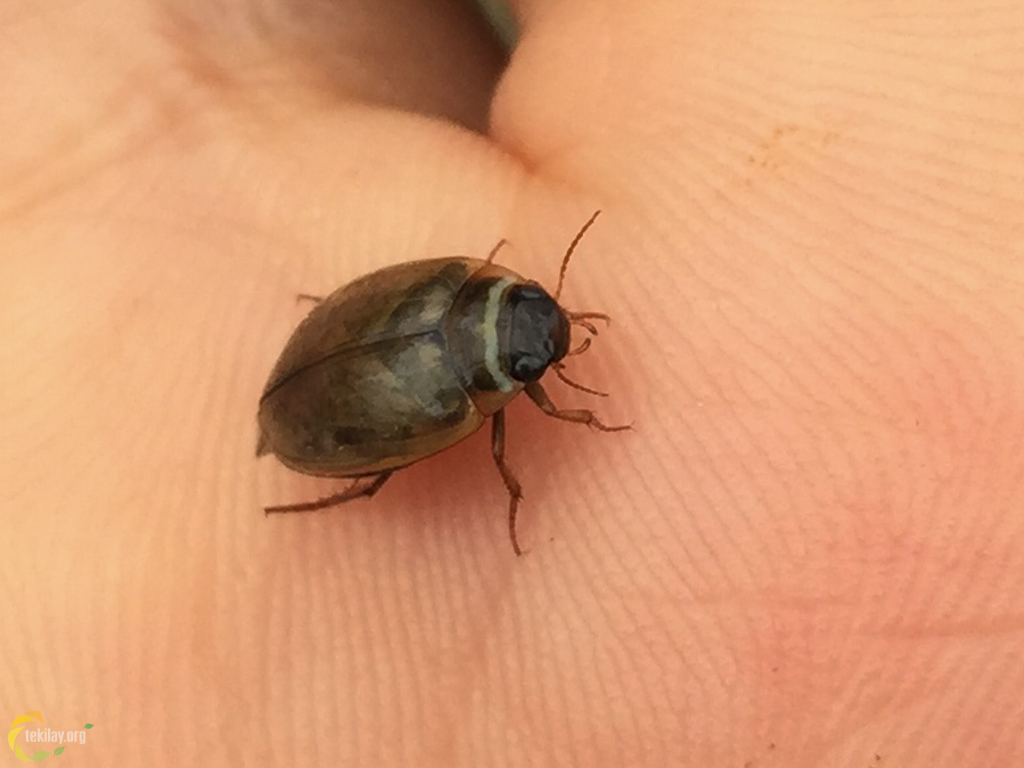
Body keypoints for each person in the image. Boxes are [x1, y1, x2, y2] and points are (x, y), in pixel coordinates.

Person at [3, 2, 1022, 765]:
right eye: (539, 353)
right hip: (324, 404)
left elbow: (369, 297)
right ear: (505, 342)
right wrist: (551, 429)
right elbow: (397, 326)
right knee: (386, 473)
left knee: (389, 446)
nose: (553, 342)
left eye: (540, 336)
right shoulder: (463, 391)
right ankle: (316, 497)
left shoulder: (452, 285)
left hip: (336, 370)